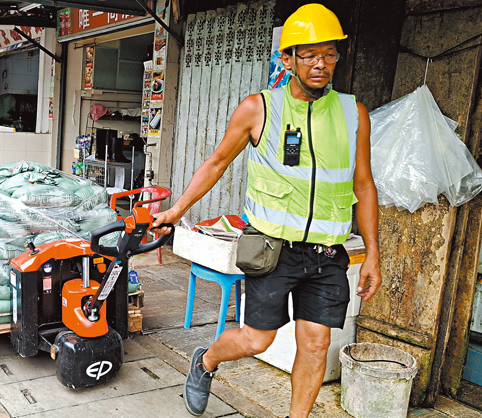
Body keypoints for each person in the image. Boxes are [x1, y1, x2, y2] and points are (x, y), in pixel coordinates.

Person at [150, 5, 382, 417]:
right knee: (258, 340)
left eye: (328, 54)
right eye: (308, 55)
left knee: (316, 343)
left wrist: (375, 255)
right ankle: (205, 361)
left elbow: (363, 185)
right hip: (272, 250)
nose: (319, 64)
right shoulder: (259, 109)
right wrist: (176, 210)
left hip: (327, 253)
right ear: (287, 59)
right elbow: (217, 162)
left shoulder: (353, 113)